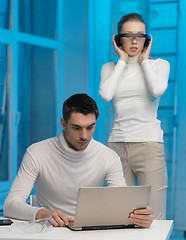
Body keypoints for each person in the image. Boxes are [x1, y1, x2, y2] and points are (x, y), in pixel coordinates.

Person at [3, 93, 153, 227]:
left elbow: (122, 205)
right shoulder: (37, 153)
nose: (84, 136)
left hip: (91, 231)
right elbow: (10, 205)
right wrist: (41, 213)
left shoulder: (108, 157)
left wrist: (141, 216)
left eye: (90, 127)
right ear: (63, 123)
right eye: (76, 128)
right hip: (52, 230)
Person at [99, 13, 170, 220]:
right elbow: (106, 94)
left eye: (140, 35)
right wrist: (121, 61)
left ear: (147, 39)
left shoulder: (159, 65)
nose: (134, 40)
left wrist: (144, 61)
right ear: (118, 39)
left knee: (154, 217)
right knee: (121, 216)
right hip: (116, 146)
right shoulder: (110, 68)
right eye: (128, 35)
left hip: (148, 145)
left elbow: (156, 90)